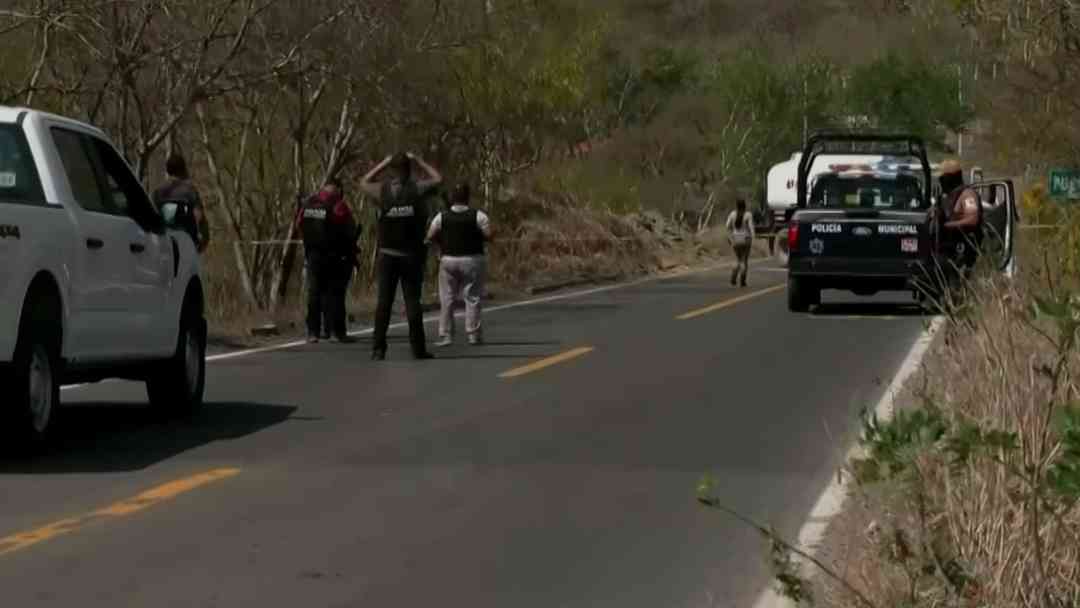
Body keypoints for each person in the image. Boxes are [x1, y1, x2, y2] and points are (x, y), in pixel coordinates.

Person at [360, 152, 443, 360]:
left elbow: (363, 182)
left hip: (387, 255)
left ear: (392, 170)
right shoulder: (417, 189)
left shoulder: (382, 190)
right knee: (412, 302)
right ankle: (418, 349)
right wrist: (420, 160)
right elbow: (438, 179)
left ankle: (378, 349)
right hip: (410, 256)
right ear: (409, 169)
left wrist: (383, 162)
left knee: (384, 303)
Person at [425, 183, 492, 347]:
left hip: (448, 260)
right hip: (472, 260)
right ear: (468, 197)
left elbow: (429, 236)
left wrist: (439, 247)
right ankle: (473, 335)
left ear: (452, 198)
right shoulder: (479, 216)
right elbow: (489, 236)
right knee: (472, 297)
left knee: (447, 298)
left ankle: (446, 335)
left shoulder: (442, 216)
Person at [295, 177, 357, 344]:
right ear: (336, 188)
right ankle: (338, 332)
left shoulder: (308, 203)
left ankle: (312, 332)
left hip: (312, 255)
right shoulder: (338, 204)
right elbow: (349, 229)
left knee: (314, 293)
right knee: (335, 294)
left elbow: (299, 224)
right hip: (333, 256)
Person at [152, 153, 210, 253]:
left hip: (163, 244)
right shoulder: (190, 191)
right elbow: (199, 217)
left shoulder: (157, 193)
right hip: (186, 244)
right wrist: (204, 240)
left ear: (168, 170)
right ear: (183, 170)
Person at [936, 159, 982, 276]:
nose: (940, 182)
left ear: (950, 178)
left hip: (963, 253)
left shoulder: (967, 195)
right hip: (948, 252)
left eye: (942, 179)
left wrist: (946, 226)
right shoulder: (947, 197)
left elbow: (973, 219)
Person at [725, 198, 754, 287]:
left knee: (737, 260)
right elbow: (751, 227)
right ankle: (742, 280)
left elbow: (727, 226)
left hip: (735, 239)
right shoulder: (748, 215)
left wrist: (730, 238)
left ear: (736, 206)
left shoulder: (732, 214)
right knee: (744, 261)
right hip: (745, 240)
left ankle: (733, 277)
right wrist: (753, 237)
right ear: (744, 205)